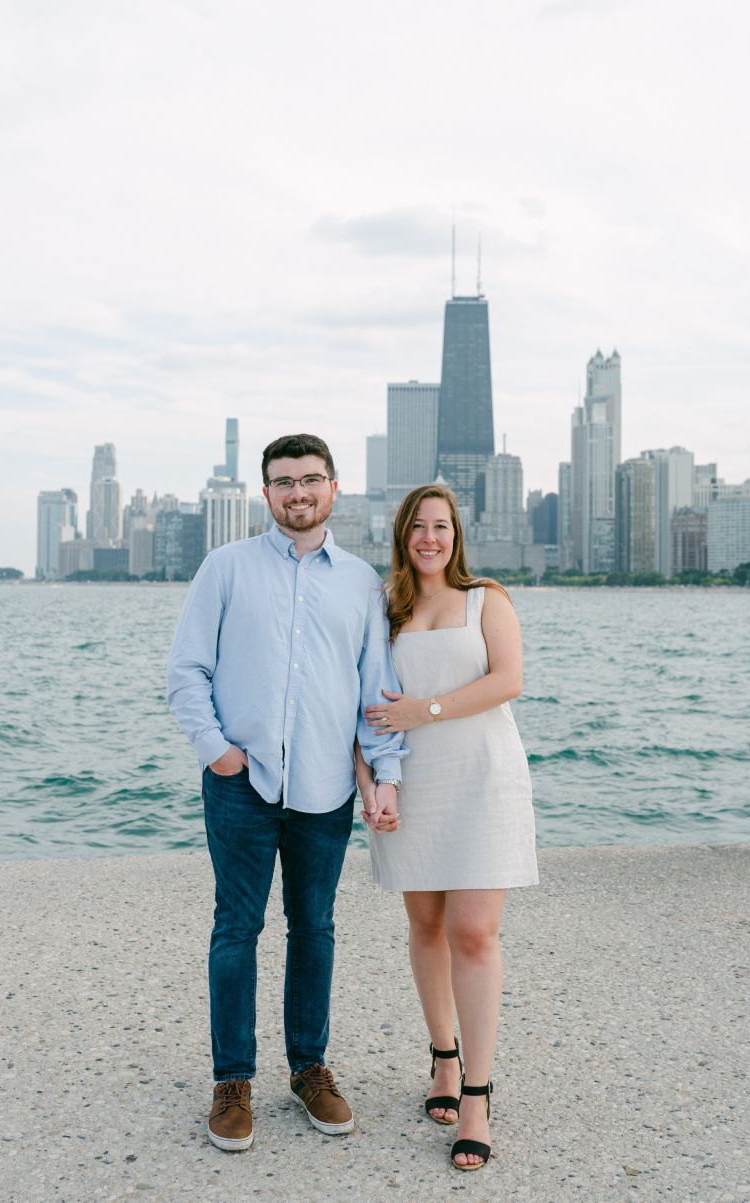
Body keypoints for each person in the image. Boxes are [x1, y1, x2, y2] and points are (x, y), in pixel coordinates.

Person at [167, 433, 405, 1153]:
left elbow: (375, 693)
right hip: (240, 784)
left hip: (324, 788)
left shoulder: (362, 583)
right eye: (283, 482)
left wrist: (385, 775)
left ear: (333, 487)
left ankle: (309, 1069)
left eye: (310, 480)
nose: (298, 493)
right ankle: (232, 1080)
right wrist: (218, 752)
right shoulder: (225, 567)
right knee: (236, 928)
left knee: (315, 928)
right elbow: (187, 672)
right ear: (266, 492)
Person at [358, 483, 538, 1172]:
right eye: (417, 527)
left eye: (441, 526)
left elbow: (509, 679)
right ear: (402, 536)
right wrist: (370, 785)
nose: (429, 538)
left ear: (457, 535)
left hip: (484, 780)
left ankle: (477, 1097)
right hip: (411, 786)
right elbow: (360, 704)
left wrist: (425, 709)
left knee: (474, 932)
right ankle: (442, 1056)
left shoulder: (486, 598)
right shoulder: (384, 607)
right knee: (427, 925)